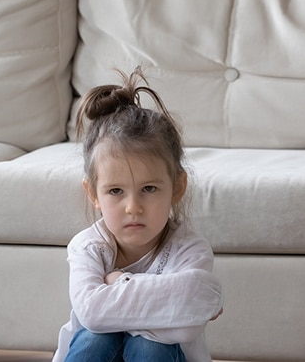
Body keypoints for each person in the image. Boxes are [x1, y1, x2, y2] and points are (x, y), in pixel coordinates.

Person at [51, 68, 223, 362]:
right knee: (95, 338)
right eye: (116, 191)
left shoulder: (189, 250)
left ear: (177, 186)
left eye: (149, 188)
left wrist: (118, 282)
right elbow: (91, 313)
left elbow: (188, 327)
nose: (133, 207)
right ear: (93, 193)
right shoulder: (87, 247)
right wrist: (170, 306)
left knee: (149, 347)